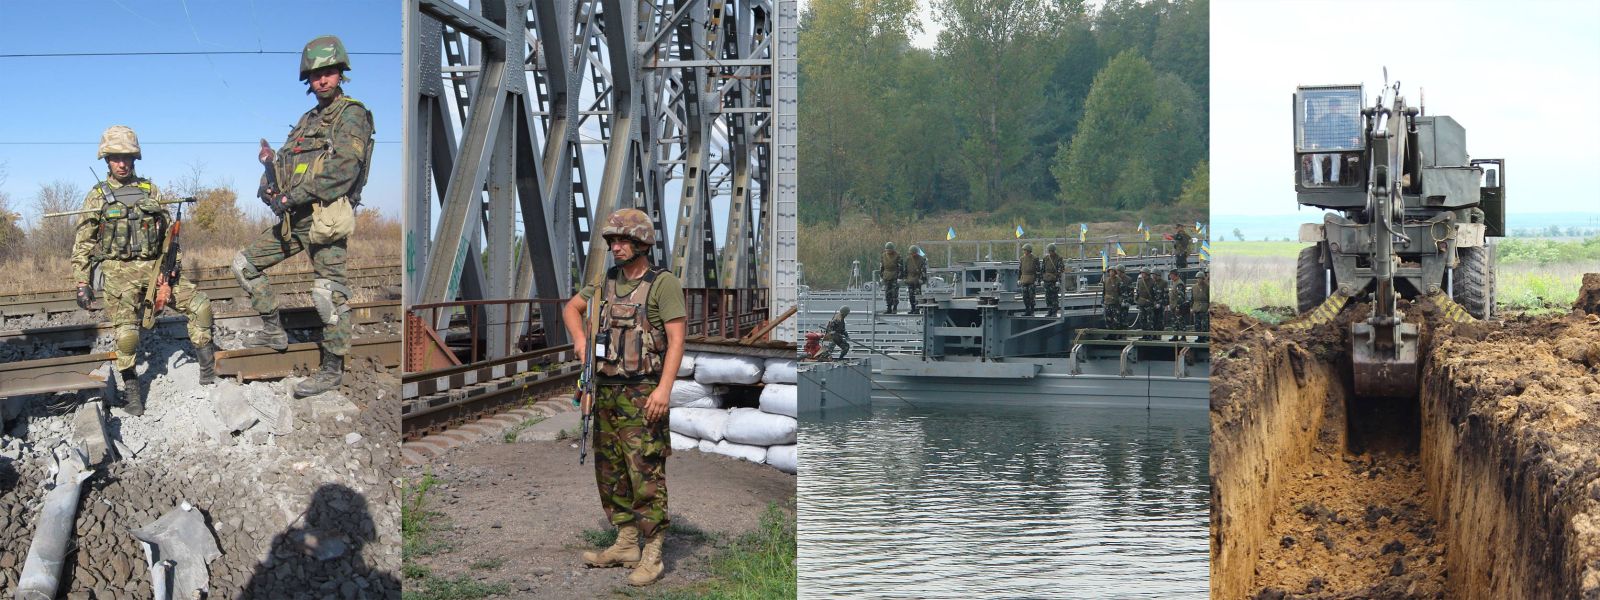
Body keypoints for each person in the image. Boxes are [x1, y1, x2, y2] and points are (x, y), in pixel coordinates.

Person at [234, 35, 375, 398]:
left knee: (328, 295)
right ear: (308, 82)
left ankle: (331, 371)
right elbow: (282, 165)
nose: (323, 80)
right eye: (316, 75)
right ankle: (273, 329)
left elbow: (343, 171)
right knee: (243, 265)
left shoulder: (352, 114)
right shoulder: (305, 121)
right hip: (292, 220)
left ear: (341, 74)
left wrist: (290, 195)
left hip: (325, 220)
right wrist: (267, 188)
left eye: (329, 72)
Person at [562, 208, 687, 586]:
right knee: (611, 470)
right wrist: (581, 341)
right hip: (605, 393)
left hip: (643, 391)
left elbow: (678, 340)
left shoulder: (662, 284)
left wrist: (664, 389)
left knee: (645, 471)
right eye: (613, 241)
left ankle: (652, 552)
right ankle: (626, 541)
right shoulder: (605, 282)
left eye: (622, 241)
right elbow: (572, 308)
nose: (615, 247)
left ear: (641, 243)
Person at [72, 126, 217, 416]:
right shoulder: (97, 196)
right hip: (118, 274)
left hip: (155, 271)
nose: (122, 163)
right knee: (127, 336)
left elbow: (170, 237)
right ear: (106, 160)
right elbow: (83, 243)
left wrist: (172, 268)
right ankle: (133, 391)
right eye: (115, 158)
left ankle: (209, 371)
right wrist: (81, 283)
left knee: (201, 307)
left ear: (135, 158)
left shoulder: (150, 191)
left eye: (127, 157)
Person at [1041, 243, 1066, 317]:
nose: (1050, 252)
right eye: (1049, 251)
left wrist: (1058, 280)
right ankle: (1049, 310)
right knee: (1047, 296)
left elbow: (1061, 270)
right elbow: (1043, 269)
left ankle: (1054, 311)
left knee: (1054, 296)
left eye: (1051, 251)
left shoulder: (1059, 258)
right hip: (1047, 279)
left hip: (1054, 280)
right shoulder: (1045, 258)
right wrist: (1042, 279)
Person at [879, 242, 903, 314]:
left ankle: (895, 308)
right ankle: (889, 308)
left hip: (895, 276)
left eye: (890, 250)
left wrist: (900, 277)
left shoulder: (898, 256)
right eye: (887, 250)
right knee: (887, 293)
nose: (888, 251)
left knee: (894, 293)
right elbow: (881, 267)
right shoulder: (883, 256)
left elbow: (900, 267)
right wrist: (881, 276)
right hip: (886, 276)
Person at [904, 245, 927, 315]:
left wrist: (922, 279)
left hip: (917, 280)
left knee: (918, 296)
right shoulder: (907, 260)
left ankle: (917, 309)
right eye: (911, 253)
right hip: (910, 280)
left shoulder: (922, 260)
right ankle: (912, 309)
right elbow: (905, 270)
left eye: (913, 253)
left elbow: (923, 271)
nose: (913, 254)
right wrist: (905, 278)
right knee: (911, 296)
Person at [1018, 243, 1039, 316]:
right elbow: (1020, 270)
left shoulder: (1035, 258)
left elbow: (1038, 270)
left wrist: (1037, 280)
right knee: (1024, 296)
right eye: (1024, 250)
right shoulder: (1022, 258)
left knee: (1031, 296)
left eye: (1025, 250)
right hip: (1024, 279)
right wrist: (1019, 279)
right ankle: (1027, 310)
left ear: (1029, 250)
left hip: (1032, 280)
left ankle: (1032, 311)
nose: (1024, 251)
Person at [1167, 270, 1190, 339]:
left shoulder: (1179, 283)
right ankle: (1175, 335)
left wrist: (1178, 307)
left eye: (1171, 275)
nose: (1170, 276)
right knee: (1175, 322)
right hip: (1173, 306)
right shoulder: (1174, 282)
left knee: (1180, 321)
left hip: (1178, 306)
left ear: (1175, 275)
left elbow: (1180, 297)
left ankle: (1183, 336)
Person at [1134, 268, 1155, 334]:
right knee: (1142, 319)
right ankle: (1144, 334)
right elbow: (1137, 291)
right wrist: (1137, 301)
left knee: (1149, 320)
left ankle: (1150, 334)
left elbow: (1155, 293)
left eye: (1143, 273)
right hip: (1141, 303)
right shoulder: (1140, 281)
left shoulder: (1152, 282)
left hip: (1149, 303)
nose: (1142, 274)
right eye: (1142, 273)